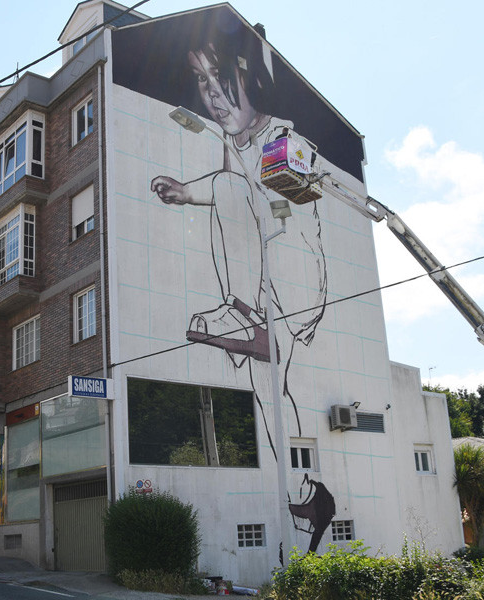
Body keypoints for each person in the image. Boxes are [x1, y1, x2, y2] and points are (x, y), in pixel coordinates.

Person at [151, 29, 327, 431]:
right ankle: (299, 485)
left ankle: (242, 312)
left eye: (220, 75)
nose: (212, 95)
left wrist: (199, 192)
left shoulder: (282, 138)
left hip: (294, 279)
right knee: (266, 385)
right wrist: (186, 193)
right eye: (201, 79)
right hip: (266, 287)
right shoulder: (236, 141)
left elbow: (252, 195)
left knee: (228, 185)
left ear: (248, 77)